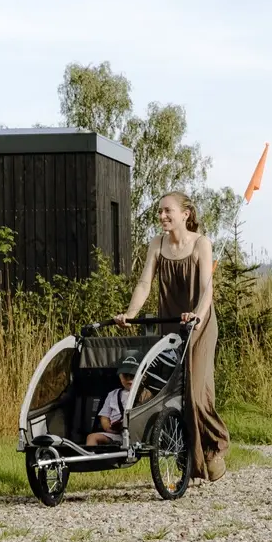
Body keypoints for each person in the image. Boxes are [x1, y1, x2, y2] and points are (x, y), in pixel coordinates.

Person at [113, 192, 230, 481]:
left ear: (185, 214)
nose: (162, 216)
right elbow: (144, 283)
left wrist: (198, 316)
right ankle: (187, 458)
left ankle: (215, 446)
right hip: (171, 324)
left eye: (168, 211)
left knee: (197, 393)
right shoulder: (157, 243)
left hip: (200, 323)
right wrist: (129, 313)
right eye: (160, 212)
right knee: (173, 393)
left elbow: (206, 289)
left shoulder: (201, 243)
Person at [86, 351, 140, 447]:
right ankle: (90, 460)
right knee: (92, 437)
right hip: (117, 434)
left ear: (142, 377)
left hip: (136, 434)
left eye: (132, 376)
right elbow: (104, 416)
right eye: (125, 375)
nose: (129, 379)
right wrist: (107, 427)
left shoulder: (145, 394)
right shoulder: (113, 394)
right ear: (119, 377)